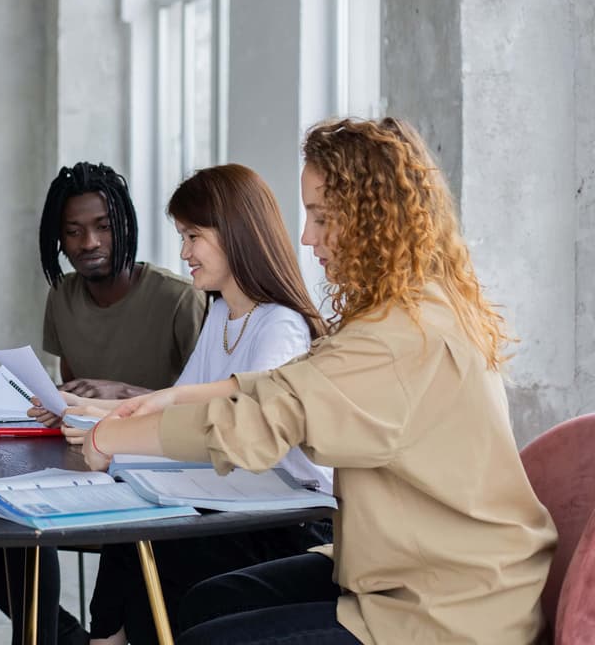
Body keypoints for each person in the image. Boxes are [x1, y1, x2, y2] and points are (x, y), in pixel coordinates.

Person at [80, 118, 557, 645]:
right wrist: (169, 399)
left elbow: (261, 421)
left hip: (447, 606)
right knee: (211, 600)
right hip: (404, 567)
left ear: (372, 219)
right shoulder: (409, 309)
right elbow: (289, 383)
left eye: (321, 217)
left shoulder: (400, 336)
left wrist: (109, 437)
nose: (306, 237)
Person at [0, 162, 208, 645]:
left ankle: (54, 638)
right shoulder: (62, 296)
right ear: (57, 240)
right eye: (73, 231)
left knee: (21, 528)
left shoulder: (179, 299)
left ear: (125, 224)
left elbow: (205, 406)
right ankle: (59, 636)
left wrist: (123, 393)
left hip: (152, 480)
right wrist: (6, 383)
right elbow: (67, 399)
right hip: (80, 467)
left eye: (103, 227)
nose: (89, 243)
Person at [65, 164, 331, 645]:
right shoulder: (224, 312)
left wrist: (112, 428)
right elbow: (179, 409)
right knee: (134, 520)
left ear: (236, 234)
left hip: (285, 522)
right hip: (235, 503)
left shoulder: (281, 325)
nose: (184, 252)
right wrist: (88, 412)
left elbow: (240, 428)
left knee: (145, 534)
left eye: (193, 236)